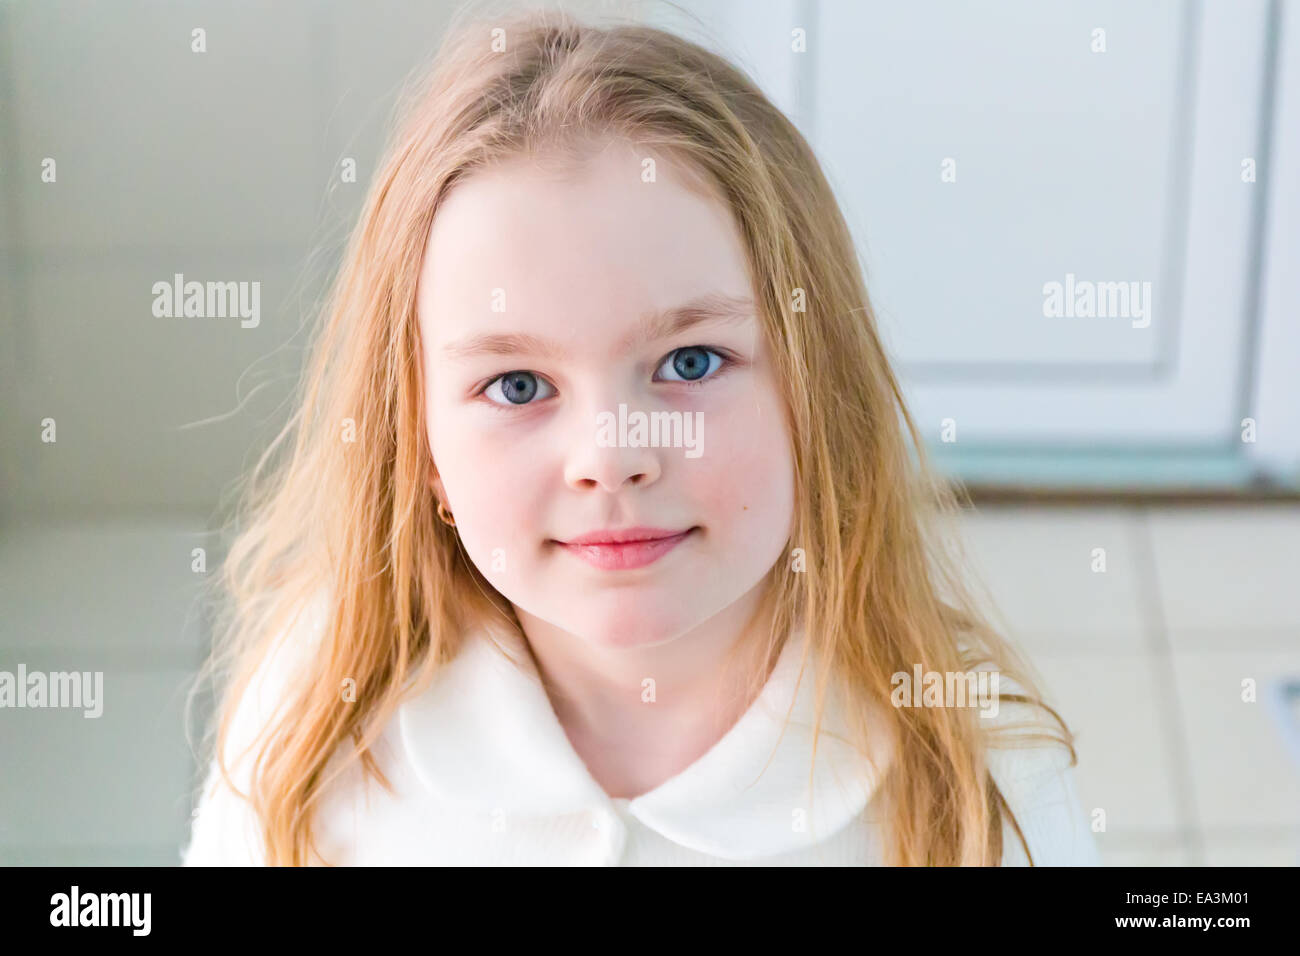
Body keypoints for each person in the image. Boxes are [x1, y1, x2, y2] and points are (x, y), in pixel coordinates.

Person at [182, 7, 1099, 867]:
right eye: (517, 385)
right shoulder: (310, 735)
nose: (613, 454)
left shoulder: (980, 777)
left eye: (690, 363)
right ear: (417, 449)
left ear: (818, 396)